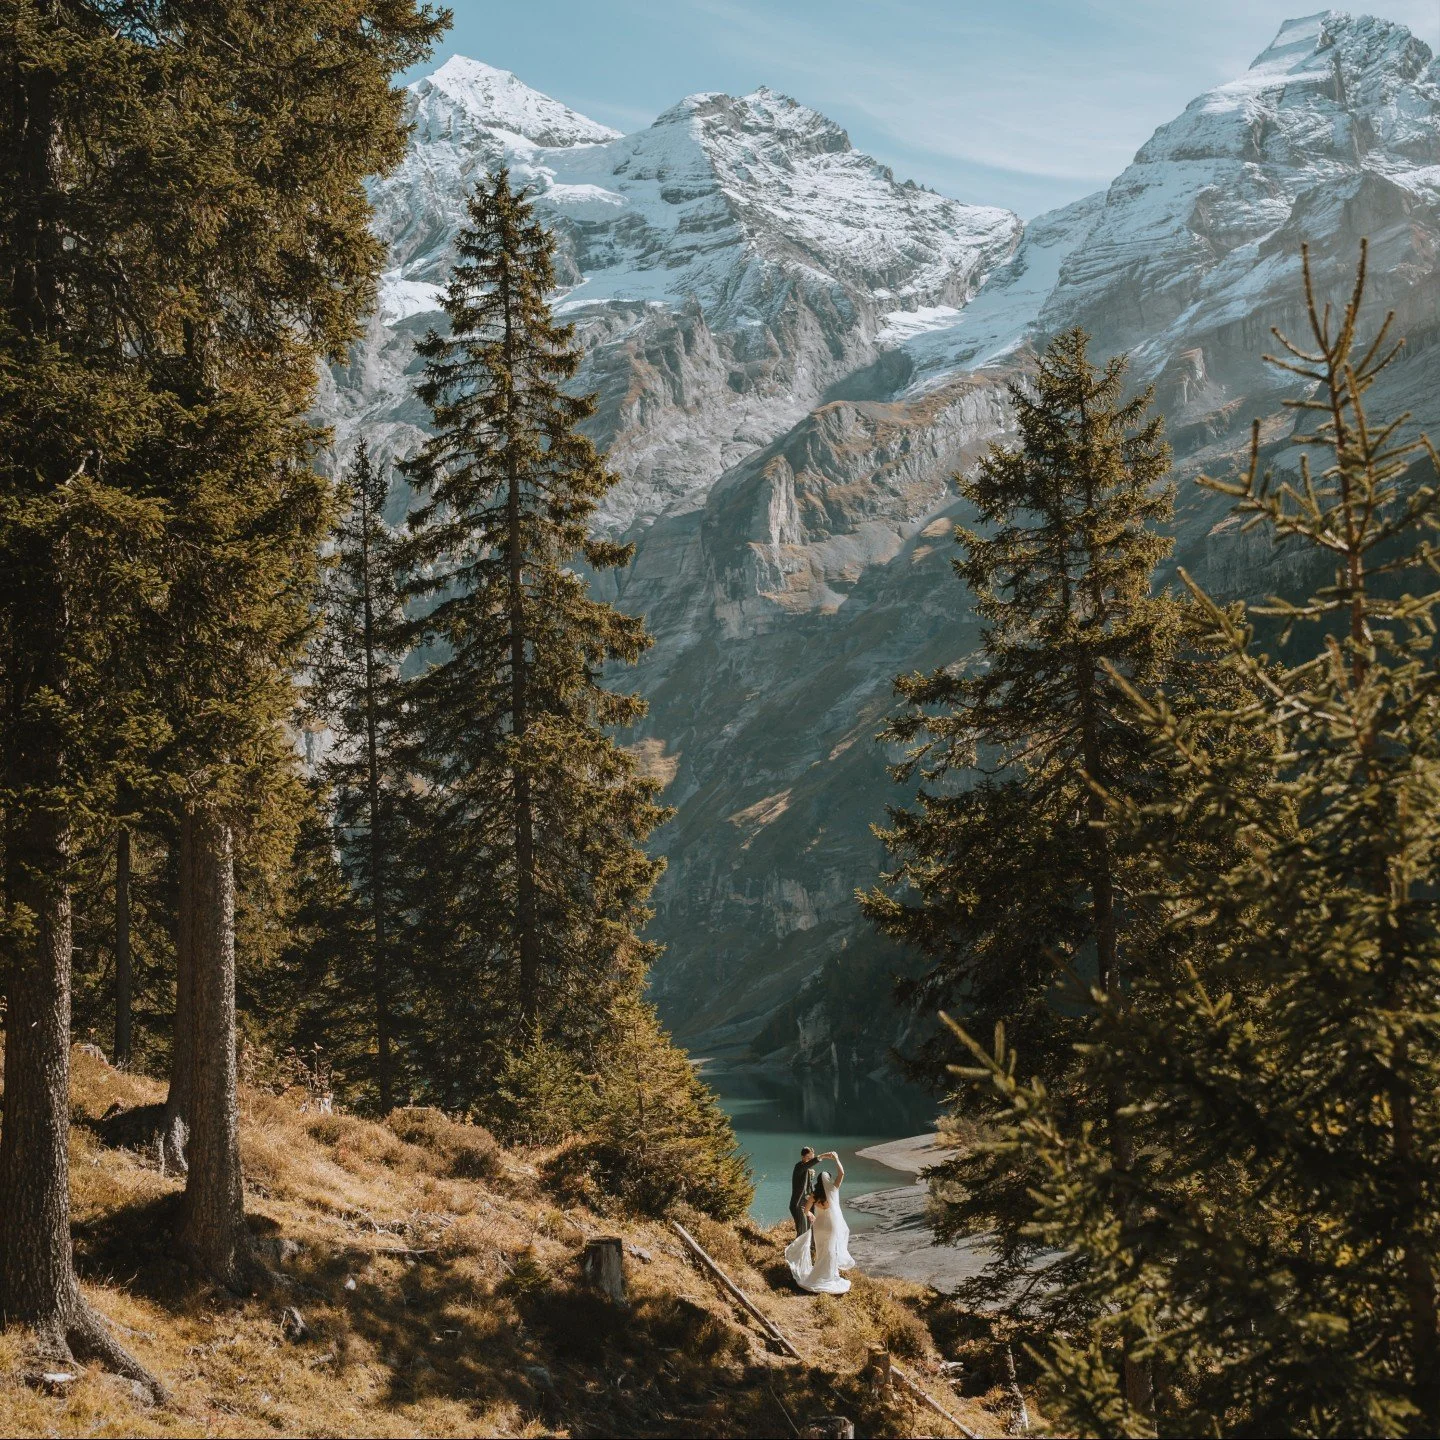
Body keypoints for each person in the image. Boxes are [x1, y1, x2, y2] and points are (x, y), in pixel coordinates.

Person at [785, 1151, 854, 1294]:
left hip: (818, 1226)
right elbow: (842, 1174)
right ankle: (827, 1276)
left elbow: (806, 1211)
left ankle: (817, 1276)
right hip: (830, 1226)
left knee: (821, 1251)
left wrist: (810, 1215)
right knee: (830, 1251)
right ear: (828, 1180)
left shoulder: (814, 1195)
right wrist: (836, 1159)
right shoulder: (834, 1190)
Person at [789, 1145, 820, 1236]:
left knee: (809, 1229)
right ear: (802, 1157)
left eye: (812, 1158)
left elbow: (809, 1189)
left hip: (806, 1203)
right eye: (808, 1157)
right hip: (797, 1205)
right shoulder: (799, 1167)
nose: (810, 1160)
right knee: (802, 1231)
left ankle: (810, 1248)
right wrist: (821, 1157)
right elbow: (806, 1166)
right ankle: (796, 1250)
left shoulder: (809, 1170)